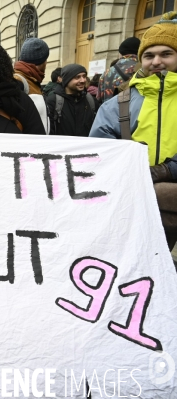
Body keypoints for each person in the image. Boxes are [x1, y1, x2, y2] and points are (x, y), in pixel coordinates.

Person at [89, 11, 177, 249]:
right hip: (132, 206)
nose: (156, 61)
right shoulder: (117, 104)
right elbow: (100, 154)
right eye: (149, 55)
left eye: (166, 53)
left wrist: (166, 171)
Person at [46, 63, 97, 136]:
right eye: (77, 77)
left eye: (84, 76)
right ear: (67, 79)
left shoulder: (90, 100)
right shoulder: (53, 101)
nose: (82, 80)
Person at [97, 37, 140, 103]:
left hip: (109, 112)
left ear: (121, 53)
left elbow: (99, 99)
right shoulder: (143, 70)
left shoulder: (106, 73)